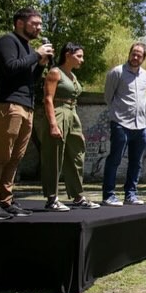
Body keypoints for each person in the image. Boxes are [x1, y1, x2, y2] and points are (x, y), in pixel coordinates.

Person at [0, 7, 54, 220]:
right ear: (20, 23)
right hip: (8, 105)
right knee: (1, 155)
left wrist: (40, 65)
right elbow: (10, 68)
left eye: (40, 24)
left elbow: (27, 81)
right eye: (35, 23)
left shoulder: (27, 48)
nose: (39, 27)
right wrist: (36, 55)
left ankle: (6, 200)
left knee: (16, 157)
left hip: (26, 106)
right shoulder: (7, 41)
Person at [37, 43, 99, 211]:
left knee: (77, 155)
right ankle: (52, 198)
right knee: (54, 156)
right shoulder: (55, 72)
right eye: (79, 56)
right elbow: (48, 99)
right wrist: (53, 124)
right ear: (67, 55)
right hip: (58, 113)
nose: (82, 60)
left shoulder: (72, 76)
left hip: (72, 114)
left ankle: (78, 196)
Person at [101, 42, 146, 206]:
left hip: (141, 126)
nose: (135, 57)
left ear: (143, 58)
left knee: (136, 163)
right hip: (121, 124)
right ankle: (108, 195)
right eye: (133, 53)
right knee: (114, 160)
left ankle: (131, 194)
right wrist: (118, 115)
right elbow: (108, 97)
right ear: (129, 53)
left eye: (139, 55)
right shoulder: (117, 72)